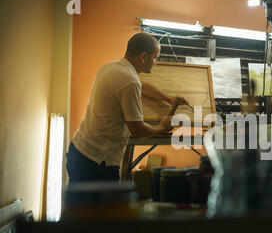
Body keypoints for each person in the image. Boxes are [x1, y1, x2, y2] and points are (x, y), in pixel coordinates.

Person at [66, 32, 188, 184]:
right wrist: (161, 127)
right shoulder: (129, 81)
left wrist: (168, 98)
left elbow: (142, 86)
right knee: (102, 208)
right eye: (155, 58)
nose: (155, 62)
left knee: (77, 207)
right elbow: (137, 130)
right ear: (144, 56)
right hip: (97, 161)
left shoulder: (112, 68)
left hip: (79, 150)